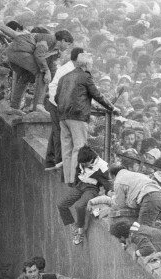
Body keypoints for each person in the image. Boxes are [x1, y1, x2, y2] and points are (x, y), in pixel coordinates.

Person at [56, 52, 116, 184]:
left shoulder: (64, 77)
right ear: (87, 64)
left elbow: (56, 97)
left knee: (66, 149)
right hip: (78, 116)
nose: (92, 66)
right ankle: (75, 179)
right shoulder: (85, 76)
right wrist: (112, 108)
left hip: (63, 116)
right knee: (79, 147)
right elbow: (97, 95)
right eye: (92, 64)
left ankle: (67, 179)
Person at [6, 29, 73, 114]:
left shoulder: (55, 50)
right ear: (63, 40)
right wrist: (47, 71)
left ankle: (14, 107)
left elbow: (52, 67)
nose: (68, 47)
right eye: (68, 44)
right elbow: (39, 54)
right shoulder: (49, 39)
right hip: (18, 51)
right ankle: (38, 105)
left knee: (26, 76)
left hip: (15, 52)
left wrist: (52, 79)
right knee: (42, 73)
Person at [56, 146, 110, 245]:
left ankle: (80, 230)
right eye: (82, 163)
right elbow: (76, 170)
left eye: (86, 163)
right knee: (61, 204)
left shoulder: (103, 166)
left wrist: (106, 197)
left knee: (80, 206)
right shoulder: (81, 161)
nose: (83, 165)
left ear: (91, 159)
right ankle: (73, 226)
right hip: (80, 185)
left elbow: (108, 184)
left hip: (92, 189)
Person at [44, 47, 84, 169]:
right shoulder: (67, 70)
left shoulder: (73, 68)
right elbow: (59, 89)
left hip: (59, 102)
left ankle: (50, 159)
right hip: (57, 103)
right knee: (60, 132)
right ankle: (59, 161)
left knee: (56, 131)